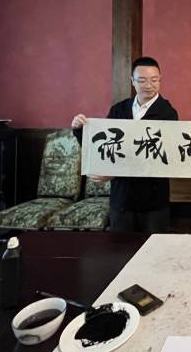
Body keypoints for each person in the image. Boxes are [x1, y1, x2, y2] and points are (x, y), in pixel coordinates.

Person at [71, 56, 179, 233]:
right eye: (142, 80)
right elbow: (103, 145)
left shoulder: (168, 113)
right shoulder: (119, 109)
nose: (149, 85)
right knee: (120, 247)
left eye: (154, 80)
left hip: (153, 201)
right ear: (132, 81)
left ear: (160, 80)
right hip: (122, 198)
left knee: (153, 247)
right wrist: (79, 129)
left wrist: (114, 173)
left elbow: (158, 159)